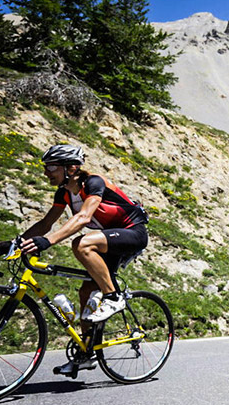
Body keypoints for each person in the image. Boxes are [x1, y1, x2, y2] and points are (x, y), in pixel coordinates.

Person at [13, 144, 148, 375]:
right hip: (106, 242)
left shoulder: (93, 183)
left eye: (51, 168)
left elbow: (84, 217)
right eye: (46, 167)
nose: (46, 173)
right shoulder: (64, 192)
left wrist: (48, 241)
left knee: (81, 243)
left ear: (71, 168)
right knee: (85, 293)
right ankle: (86, 354)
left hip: (132, 233)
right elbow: (45, 224)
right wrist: (16, 243)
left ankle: (113, 297)